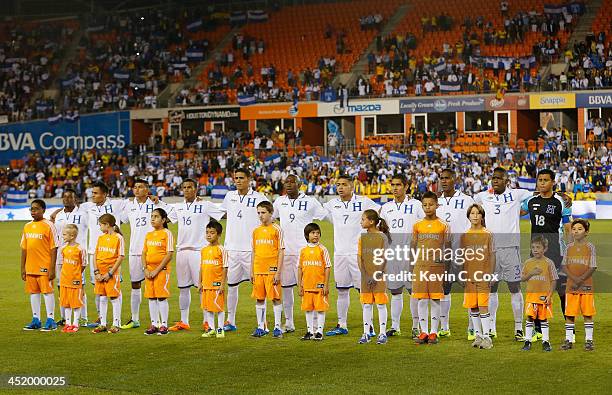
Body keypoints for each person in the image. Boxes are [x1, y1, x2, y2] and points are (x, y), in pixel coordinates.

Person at [474, 167, 533, 340]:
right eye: (493, 178)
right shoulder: (483, 196)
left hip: (510, 248)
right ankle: (491, 327)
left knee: (514, 287)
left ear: (507, 180)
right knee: (492, 288)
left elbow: (536, 196)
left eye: (499, 178)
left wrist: (560, 196)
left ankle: (518, 328)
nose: (495, 180)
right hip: (490, 249)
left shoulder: (517, 194)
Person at [323, 174, 380, 336]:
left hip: (358, 254)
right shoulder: (332, 204)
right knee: (342, 290)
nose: (340, 187)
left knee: (363, 291)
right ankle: (342, 324)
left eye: (344, 184)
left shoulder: (363, 202)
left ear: (352, 186)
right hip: (340, 253)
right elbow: (317, 212)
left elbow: (380, 213)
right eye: (338, 184)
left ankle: (369, 327)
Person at [521, 169, 571, 342]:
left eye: (545, 180)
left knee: (561, 290)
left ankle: (569, 329)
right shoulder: (530, 201)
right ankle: (537, 330)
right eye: (539, 180)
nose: (542, 183)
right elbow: (515, 211)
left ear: (553, 182)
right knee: (536, 290)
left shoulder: (560, 202)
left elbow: (567, 227)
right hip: (536, 254)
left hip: (556, 252)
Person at [272, 174, 327, 333]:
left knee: (310, 289)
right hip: (286, 252)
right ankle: (289, 323)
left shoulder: (310, 201)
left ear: (300, 184)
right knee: (287, 289)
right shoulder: (279, 201)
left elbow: (325, 215)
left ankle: (316, 325)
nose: (288, 185)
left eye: (292, 182)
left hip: (306, 253)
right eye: (286, 182)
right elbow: (270, 216)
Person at [167, 178, 223, 332]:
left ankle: (207, 321)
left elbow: (223, 214)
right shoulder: (178, 207)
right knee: (183, 288)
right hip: (182, 251)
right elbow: (166, 219)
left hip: (200, 251)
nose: (187, 190)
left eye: (190, 187)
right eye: (184, 187)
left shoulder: (205, 205)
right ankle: (184, 321)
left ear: (196, 189)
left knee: (203, 287)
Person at [221, 169, 269, 332]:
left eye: (242, 178)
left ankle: (262, 324)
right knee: (232, 286)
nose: (238, 181)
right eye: (236, 178)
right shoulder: (229, 197)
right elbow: (222, 214)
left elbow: (270, 218)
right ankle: (230, 321)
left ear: (249, 179)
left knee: (258, 287)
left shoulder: (259, 198)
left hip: (252, 251)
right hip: (232, 249)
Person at [121, 179, 172, 330]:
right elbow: (120, 221)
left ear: (147, 189)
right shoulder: (129, 205)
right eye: (135, 187)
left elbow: (172, 215)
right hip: (135, 251)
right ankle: (135, 319)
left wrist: (159, 202)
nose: (137, 190)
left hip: (154, 251)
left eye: (140, 187)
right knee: (135, 285)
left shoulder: (154, 204)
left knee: (157, 289)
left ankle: (160, 323)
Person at [379, 173, 425, 339]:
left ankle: (415, 327)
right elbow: (381, 230)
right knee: (395, 291)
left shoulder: (416, 205)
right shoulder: (386, 208)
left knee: (413, 291)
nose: (395, 188)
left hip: (411, 253)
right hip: (392, 254)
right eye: (393, 185)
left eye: (399, 185)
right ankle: (395, 326)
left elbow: (425, 224)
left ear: (406, 186)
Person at [436, 168, 475, 339]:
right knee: (444, 289)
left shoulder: (467, 200)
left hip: (463, 252)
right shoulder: (436, 202)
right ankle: (444, 327)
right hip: (443, 254)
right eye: (441, 178)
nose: (444, 181)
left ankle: (472, 327)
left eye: (447, 178)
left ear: (455, 179)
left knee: (470, 288)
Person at [411, 191, 450, 345]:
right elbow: (413, 247)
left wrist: (446, 270)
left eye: (431, 204)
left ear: (437, 205)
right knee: (421, 299)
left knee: (434, 299)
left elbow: (448, 248)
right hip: (420, 266)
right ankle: (424, 332)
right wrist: (411, 266)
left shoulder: (443, 225)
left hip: (437, 267)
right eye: (425, 205)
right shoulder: (417, 226)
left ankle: (434, 332)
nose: (428, 207)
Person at [52, 189, 89, 327]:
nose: (67, 199)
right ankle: (64, 318)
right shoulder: (59, 215)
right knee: (61, 287)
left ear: (76, 199)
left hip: (77, 257)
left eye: (70, 197)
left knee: (80, 288)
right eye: (65, 197)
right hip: (62, 256)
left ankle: (83, 319)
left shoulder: (83, 214)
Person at [21, 199, 60, 331]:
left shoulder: (49, 225)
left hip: (45, 266)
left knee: (47, 292)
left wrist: (52, 268)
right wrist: (22, 268)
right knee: (33, 293)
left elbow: (54, 248)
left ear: (43, 210)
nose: (33, 211)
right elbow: (24, 248)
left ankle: (51, 320)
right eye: (31, 209)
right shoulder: (27, 226)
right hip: (30, 266)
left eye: (36, 209)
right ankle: (36, 319)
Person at [461, 204, 495, 349]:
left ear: (482, 216)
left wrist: (491, 274)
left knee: (483, 306)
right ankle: (478, 335)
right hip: (469, 277)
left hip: (483, 275)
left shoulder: (488, 234)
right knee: (473, 307)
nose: (475, 216)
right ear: (468, 216)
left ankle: (487, 337)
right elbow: (463, 257)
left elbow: (492, 255)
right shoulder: (465, 236)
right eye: (472, 213)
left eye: (477, 213)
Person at [560, 219, 596, 351]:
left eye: (580, 229)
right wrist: (574, 279)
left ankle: (589, 340)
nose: (576, 231)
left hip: (586, 286)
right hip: (571, 286)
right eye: (574, 229)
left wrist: (580, 280)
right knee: (569, 314)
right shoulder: (568, 247)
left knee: (587, 314)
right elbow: (564, 265)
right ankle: (569, 340)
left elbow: (593, 266)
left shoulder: (590, 247)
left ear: (586, 232)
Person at [250, 201, 285, 338]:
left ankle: (277, 327)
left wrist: (278, 272)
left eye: (263, 212)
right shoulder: (255, 231)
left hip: (272, 270)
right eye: (258, 213)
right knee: (259, 298)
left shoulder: (277, 229)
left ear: (271, 213)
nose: (260, 215)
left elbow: (281, 251)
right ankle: (261, 327)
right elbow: (253, 251)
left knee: (275, 298)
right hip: (258, 269)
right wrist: (252, 270)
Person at [357, 209, 391, 345]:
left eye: (363, 219)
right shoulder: (362, 238)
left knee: (381, 304)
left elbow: (384, 259)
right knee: (366, 304)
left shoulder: (382, 237)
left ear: (371, 222)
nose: (361, 222)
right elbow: (359, 258)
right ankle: (366, 333)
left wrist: (376, 275)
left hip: (379, 277)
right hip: (366, 278)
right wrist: (365, 275)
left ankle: (382, 333)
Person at [520, 236, 558, 352]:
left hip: (544, 297)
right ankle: (527, 341)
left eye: (538, 247)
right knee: (530, 317)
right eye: (533, 247)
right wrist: (531, 273)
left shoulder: (549, 263)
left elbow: (554, 280)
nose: (535, 250)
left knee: (543, 319)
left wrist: (549, 295)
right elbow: (522, 278)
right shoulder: (528, 263)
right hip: (531, 297)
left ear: (545, 249)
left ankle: (546, 341)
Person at [142, 208, 174, 336]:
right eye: (152, 216)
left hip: (161, 270)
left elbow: (169, 254)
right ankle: (154, 324)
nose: (153, 219)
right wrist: (145, 269)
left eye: (156, 216)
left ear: (163, 219)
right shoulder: (148, 235)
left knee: (161, 297)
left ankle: (164, 325)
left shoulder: (167, 233)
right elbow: (144, 252)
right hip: (149, 271)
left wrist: (156, 270)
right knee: (151, 297)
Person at [298, 223, 331, 341]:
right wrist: (299, 285)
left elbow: (327, 267)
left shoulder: (323, 249)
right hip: (306, 285)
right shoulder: (303, 250)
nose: (316, 235)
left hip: (319, 285)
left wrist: (326, 285)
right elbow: (300, 268)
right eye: (313, 233)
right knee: (308, 308)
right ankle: (310, 331)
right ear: (307, 235)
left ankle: (319, 331)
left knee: (320, 308)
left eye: (317, 233)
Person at [92, 214, 125, 334]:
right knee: (102, 297)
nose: (100, 227)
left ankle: (116, 324)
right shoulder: (101, 238)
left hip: (111, 273)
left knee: (114, 297)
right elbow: (95, 255)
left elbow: (121, 257)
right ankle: (103, 324)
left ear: (107, 225)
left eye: (100, 224)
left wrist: (110, 273)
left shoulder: (118, 238)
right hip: (100, 273)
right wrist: (96, 272)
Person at [199, 220, 229, 338]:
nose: (209, 235)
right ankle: (211, 328)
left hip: (216, 284)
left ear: (219, 234)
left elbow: (225, 268)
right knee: (208, 308)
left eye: (212, 232)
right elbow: (201, 267)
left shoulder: (221, 250)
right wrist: (199, 282)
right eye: (207, 232)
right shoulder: (204, 250)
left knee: (219, 307)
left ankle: (220, 329)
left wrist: (222, 284)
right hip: (206, 284)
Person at [58, 224, 87, 333]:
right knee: (66, 302)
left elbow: (84, 264)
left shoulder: (80, 248)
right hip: (65, 280)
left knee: (76, 302)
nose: (63, 236)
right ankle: (68, 323)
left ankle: (75, 323)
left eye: (65, 234)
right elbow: (62, 263)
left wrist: (76, 273)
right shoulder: (63, 248)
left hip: (75, 280)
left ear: (72, 236)